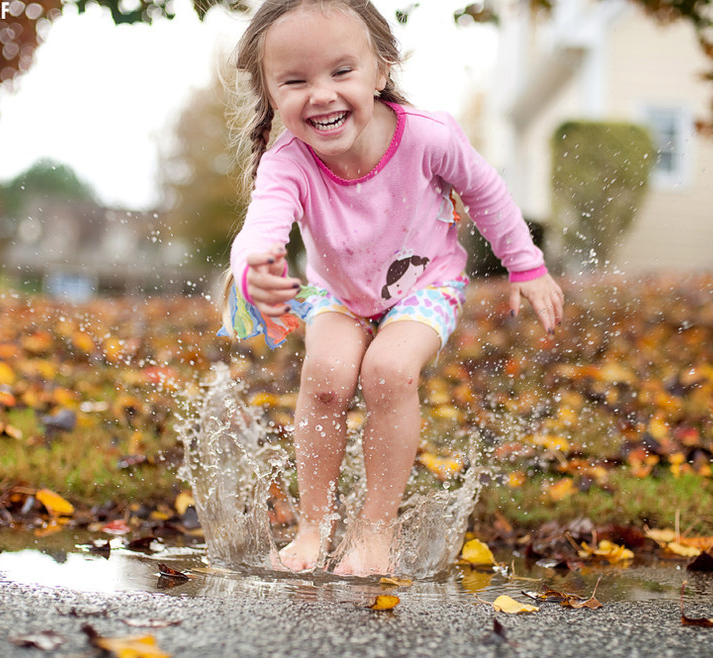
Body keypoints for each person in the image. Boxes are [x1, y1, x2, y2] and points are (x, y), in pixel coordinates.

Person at [224, 0, 564, 577]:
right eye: (295, 80)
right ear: (270, 93)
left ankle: (374, 533)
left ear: (381, 70)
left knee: (387, 372)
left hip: (425, 284)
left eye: (341, 71)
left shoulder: (426, 138)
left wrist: (525, 265)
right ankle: (313, 528)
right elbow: (261, 224)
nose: (322, 94)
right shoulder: (288, 162)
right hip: (337, 292)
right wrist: (254, 265)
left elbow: (485, 190)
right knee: (327, 380)